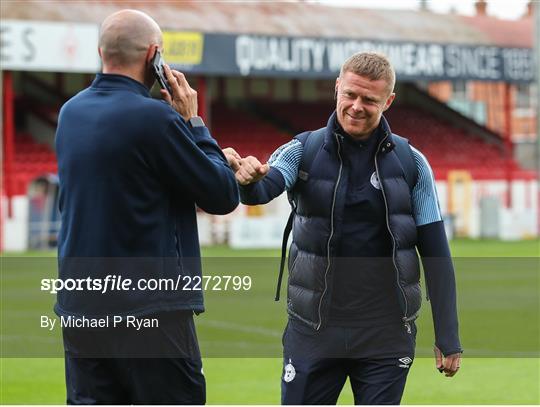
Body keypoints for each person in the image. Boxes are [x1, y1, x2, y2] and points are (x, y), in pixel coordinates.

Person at [235, 52, 462, 405]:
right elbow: (265, 187)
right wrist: (249, 182)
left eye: (369, 100)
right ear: (337, 87)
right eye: (350, 94)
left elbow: (435, 252)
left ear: (388, 101)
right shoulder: (301, 149)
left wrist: (448, 335)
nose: (357, 106)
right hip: (312, 329)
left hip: (385, 333)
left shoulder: (412, 162)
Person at [55, 9, 239, 404]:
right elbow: (222, 195)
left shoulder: (70, 114)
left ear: (101, 51)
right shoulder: (156, 119)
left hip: (80, 306)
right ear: (154, 55)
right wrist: (194, 124)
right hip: (149, 310)